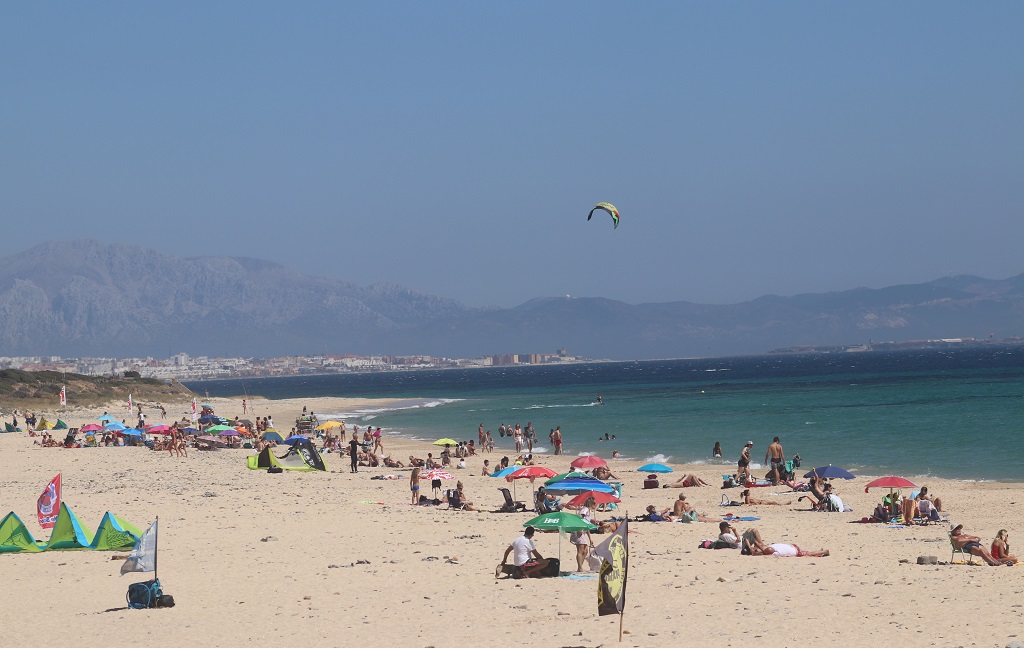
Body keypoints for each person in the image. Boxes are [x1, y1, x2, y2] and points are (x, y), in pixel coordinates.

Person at [570, 496, 596, 571]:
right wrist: (580, 528)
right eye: (594, 503)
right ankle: (580, 567)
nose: (595, 504)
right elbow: (579, 518)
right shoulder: (585, 509)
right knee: (580, 550)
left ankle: (580, 566)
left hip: (583, 531)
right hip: (579, 530)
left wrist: (590, 538)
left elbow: (587, 525)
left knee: (585, 550)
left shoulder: (588, 511)